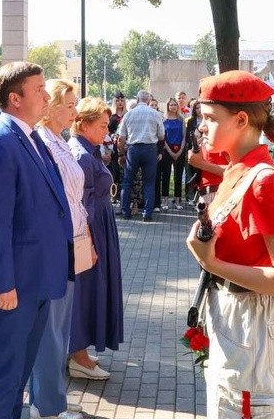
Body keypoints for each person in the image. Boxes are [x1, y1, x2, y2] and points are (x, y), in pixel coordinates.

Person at [185, 70, 274, 419]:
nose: (202, 127)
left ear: (240, 119)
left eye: (209, 118)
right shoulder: (238, 169)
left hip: (254, 337)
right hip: (239, 330)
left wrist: (213, 263)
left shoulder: (263, 181)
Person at [0, 62, 73, 419]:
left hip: (34, 278)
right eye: (39, 89)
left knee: (18, 377)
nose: (46, 95)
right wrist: (3, 284)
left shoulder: (27, 136)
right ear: (15, 98)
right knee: (3, 376)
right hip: (11, 287)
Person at [30, 79, 90, 418]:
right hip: (56, 247)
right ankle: (47, 406)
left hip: (71, 242)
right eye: (69, 105)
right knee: (50, 333)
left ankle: (51, 398)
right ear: (50, 106)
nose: (75, 111)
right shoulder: (42, 143)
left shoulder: (59, 140)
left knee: (58, 328)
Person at [68, 97, 124, 380]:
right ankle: (77, 354)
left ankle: (80, 350)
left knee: (93, 288)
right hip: (93, 229)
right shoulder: (81, 155)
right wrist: (88, 242)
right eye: (101, 125)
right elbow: (81, 205)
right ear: (83, 124)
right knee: (87, 290)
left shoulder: (88, 150)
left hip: (100, 225)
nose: (106, 130)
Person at [116, 90, 165, 221]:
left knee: (127, 182)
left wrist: (121, 154)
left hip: (133, 149)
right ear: (148, 100)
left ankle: (126, 211)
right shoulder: (155, 114)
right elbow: (161, 135)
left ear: (137, 99)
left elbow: (121, 138)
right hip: (150, 149)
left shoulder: (129, 115)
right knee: (149, 182)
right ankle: (147, 214)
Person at [158, 97, 187, 210]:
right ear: (167, 106)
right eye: (171, 105)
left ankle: (178, 200)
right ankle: (165, 200)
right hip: (167, 150)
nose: (173, 107)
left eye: (175, 105)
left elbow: (184, 136)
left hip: (179, 148)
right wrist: (169, 151)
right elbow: (162, 137)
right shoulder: (163, 120)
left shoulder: (181, 119)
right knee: (166, 175)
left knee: (178, 176)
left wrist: (180, 151)